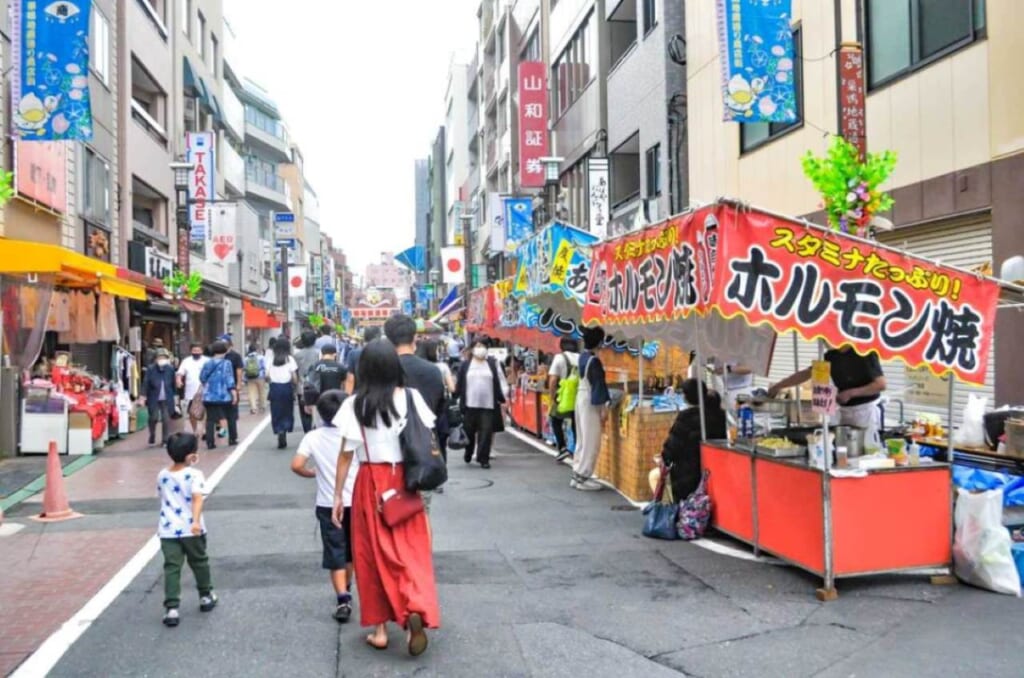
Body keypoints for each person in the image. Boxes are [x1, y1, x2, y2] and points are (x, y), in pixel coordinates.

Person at [330, 339, 440, 656]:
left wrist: (338, 496)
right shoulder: (411, 397)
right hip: (405, 481)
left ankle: (380, 630)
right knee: (411, 551)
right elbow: (426, 434)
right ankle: (415, 608)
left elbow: (345, 456)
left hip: (370, 483)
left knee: (371, 556)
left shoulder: (355, 404)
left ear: (363, 369)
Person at [290, 390, 355, 623]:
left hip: (328, 503)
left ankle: (342, 598)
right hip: (355, 502)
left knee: (335, 550)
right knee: (351, 551)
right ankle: (347, 586)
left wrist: (311, 473)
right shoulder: (355, 435)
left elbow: (296, 465)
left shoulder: (313, 437)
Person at [768, 344, 887, 445]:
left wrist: (851, 393)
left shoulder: (864, 352)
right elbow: (806, 374)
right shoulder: (830, 356)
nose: (825, 342)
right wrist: (779, 386)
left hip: (867, 412)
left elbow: (881, 385)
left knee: (868, 451)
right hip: (845, 413)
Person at [158, 432, 218, 628]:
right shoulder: (195, 475)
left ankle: (172, 608)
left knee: (172, 567)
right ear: (191, 455)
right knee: (199, 562)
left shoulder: (162, 475)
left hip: (168, 529)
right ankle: (205, 595)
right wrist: (195, 522)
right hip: (191, 528)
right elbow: (198, 498)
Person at [386, 317, 447, 471]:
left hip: (388, 446)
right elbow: (439, 409)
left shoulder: (381, 370)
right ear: (414, 337)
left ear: (388, 339)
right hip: (424, 446)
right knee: (421, 493)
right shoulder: (432, 370)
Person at [660, 379, 727, 503]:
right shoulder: (720, 415)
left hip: (687, 471)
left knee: (686, 507)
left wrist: (665, 457)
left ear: (687, 397)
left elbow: (673, 446)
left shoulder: (686, 417)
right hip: (714, 469)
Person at [455, 337, 509, 470]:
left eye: (482, 346)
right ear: (472, 348)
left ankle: (483, 458)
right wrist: (455, 398)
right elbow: (460, 384)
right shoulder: (465, 365)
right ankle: (468, 451)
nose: (480, 349)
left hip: (488, 405)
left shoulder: (492, 363)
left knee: (486, 432)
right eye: (477, 346)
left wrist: (503, 397)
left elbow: (500, 382)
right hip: (469, 405)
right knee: (469, 431)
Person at [572, 326, 611, 491]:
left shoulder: (582, 357)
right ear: (599, 343)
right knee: (591, 440)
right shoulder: (594, 361)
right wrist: (604, 408)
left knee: (582, 439)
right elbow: (598, 386)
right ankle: (584, 476)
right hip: (589, 400)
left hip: (580, 398)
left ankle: (577, 473)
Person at [198, 342, 238, 451]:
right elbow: (229, 378)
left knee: (210, 419)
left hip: (209, 396)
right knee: (231, 417)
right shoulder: (227, 363)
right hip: (224, 395)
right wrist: (233, 392)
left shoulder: (207, 363)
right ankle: (232, 439)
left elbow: (202, 378)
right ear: (224, 351)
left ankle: (210, 442)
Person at [547, 337, 580, 462]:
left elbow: (553, 380)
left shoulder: (560, 358)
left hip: (563, 395)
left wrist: (552, 397)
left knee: (555, 420)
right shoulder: (580, 357)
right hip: (578, 395)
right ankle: (578, 450)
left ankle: (562, 447)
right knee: (576, 424)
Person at [140, 348, 178, 447]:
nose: (161, 359)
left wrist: (176, 398)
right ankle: (152, 434)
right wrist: (142, 396)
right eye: (159, 357)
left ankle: (165, 440)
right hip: (153, 397)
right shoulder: (151, 369)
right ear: (155, 359)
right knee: (154, 417)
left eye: (164, 357)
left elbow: (173, 384)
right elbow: (146, 383)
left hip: (167, 397)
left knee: (166, 419)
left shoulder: (170, 369)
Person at [266, 337, 299, 448]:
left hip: (274, 388)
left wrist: (270, 380)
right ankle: (285, 428)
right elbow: (294, 377)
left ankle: (278, 429)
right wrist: (295, 385)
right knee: (287, 410)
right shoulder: (290, 359)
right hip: (286, 388)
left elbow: (267, 376)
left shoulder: (271, 359)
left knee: (275, 410)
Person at [306, 344, 348, 424]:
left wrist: (308, 403)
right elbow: (344, 385)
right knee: (335, 423)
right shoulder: (340, 367)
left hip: (317, 400)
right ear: (335, 354)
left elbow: (309, 385)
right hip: (335, 400)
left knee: (319, 424)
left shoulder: (314, 366)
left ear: (321, 353)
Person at [177, 343, 210, 435]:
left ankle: (204, 430)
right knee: (192, 413)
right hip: (190, 392)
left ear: (202, 351)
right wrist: (179, 381)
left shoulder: (207, 361)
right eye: (194, 351)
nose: (196, 352)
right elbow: (180, 373)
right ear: (191, 351)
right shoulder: (186, 361)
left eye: (198, 350)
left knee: (205, 412)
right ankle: (195, 430)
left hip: (205, 391)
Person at [294, 331, 321, 433]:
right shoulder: (319, 353)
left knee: (304, 411)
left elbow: (295, 371)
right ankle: (316, 429)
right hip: (317, 386)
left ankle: (307, 431)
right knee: (317, 409)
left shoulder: (297, 355)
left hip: (302, 386)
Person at [219, 335, 244, 446]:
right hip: (219, 388)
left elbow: (239, 371)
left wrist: (238, 384)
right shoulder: (217, 355)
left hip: (231, 388)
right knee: (220, 412)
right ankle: (222, 431)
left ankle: (232, 437)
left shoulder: (235, 356)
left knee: (232, 414)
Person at [344, 326, 382, 393]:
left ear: (364, 338)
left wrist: (347, 397)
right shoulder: (385, 353)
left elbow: (350, 378)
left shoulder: (353, 354)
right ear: (379, 337)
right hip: (380, 396)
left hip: (359, 395)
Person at [243, 343, 267, 415]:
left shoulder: (246, 358)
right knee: (262, 392)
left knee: (251, 393)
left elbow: (244, 368)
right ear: (256, 349)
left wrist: (244, 379)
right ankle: (262, 406)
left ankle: (253, 408)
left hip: (250, 377)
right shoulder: (261, 357)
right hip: (260, 376)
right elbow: (264, 367)